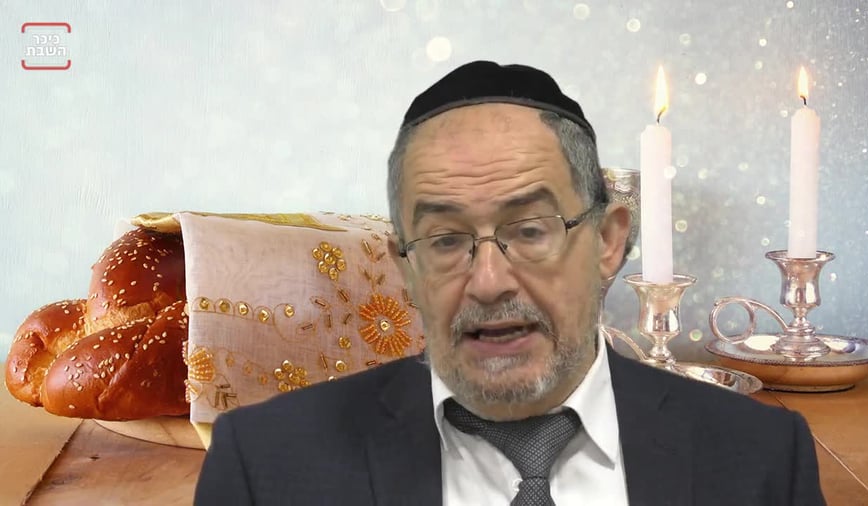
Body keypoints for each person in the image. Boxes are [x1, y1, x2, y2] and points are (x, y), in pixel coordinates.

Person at [194, 61, 825, 505]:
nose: (489, 282)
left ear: (608, 242)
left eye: (529, 230)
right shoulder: (264, 465)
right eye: (445, 241)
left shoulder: (761, 457)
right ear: (406, 268)